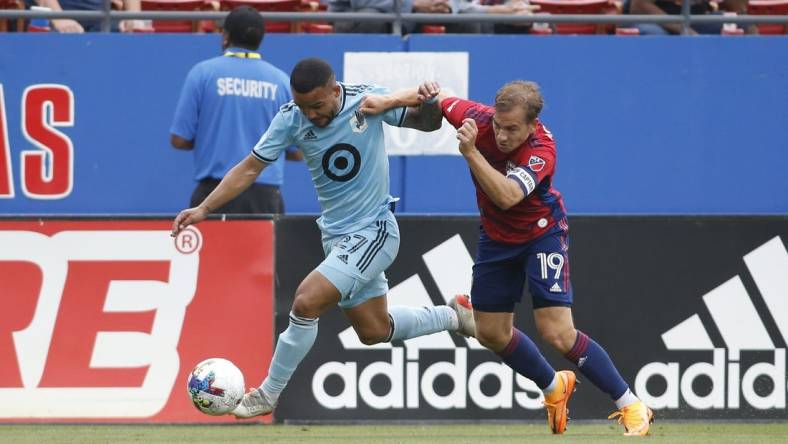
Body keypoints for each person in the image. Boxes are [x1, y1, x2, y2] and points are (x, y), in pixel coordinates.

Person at [170, 57, 474, 419]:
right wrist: (204, 208)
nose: (311, 114)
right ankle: (453, 315)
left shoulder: (367, 102)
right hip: (336, 238)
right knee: (374, 330)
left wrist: (424, 101)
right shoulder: (290, 118)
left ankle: (268, 394)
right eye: (303, 106)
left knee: (305, 301)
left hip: (374, 230)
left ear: (335, 90)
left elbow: (427, 123)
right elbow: (250, 167)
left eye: (317, 105)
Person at [362, 80, 654, 436]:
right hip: (497, 240)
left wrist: (471, 152)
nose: (501, 135)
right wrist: (387, 101)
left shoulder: (540, 149)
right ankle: (553, 387)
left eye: (512, 129)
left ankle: (632, 405)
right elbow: (435, 100)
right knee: (491, 333)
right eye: (498, 126)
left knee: (557, 332)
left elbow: (506, 196)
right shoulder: (478, 118)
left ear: (532, 125)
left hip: (541, 234)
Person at [170, 6, 301, 214]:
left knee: (215, 249)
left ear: (225, 37)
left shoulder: (202, 73)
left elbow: (179, 139)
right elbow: (298, 151)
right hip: (265, 197)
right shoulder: (282, 82)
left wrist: (212, 138)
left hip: (213, 195)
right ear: (260, 40)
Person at [625, 0, 755, 35]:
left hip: (695, 18)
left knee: (745, 24)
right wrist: (681, 28)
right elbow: (639, 5)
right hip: (654, 19)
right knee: (654, 35)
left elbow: (737, 7)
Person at [328, 0, 451, 33]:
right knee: (372, 18)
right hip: (352, 17)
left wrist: (447, 6)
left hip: (408, 18)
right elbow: (360, 2)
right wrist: (413, 4)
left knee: (466, 19)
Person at [30, 0, 142, 32]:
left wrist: (133, 16)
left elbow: (134, 13)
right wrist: (59, 17)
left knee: (128, 35)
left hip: (101, 16)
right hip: (54, 14)